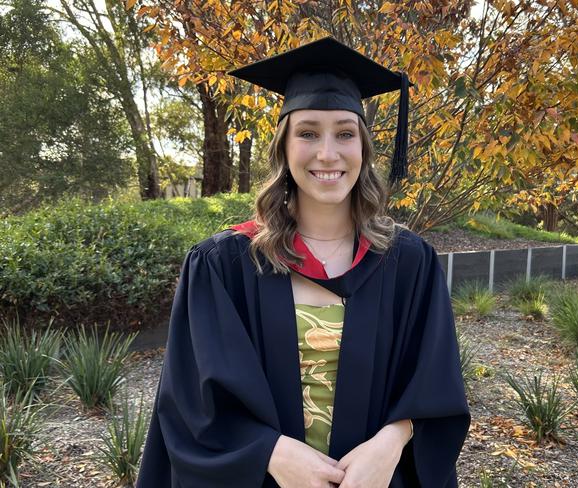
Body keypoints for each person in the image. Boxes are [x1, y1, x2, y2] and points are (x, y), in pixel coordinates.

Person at [136, 37, 470, 488]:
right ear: (284, 147)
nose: (328, 153)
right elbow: (190, 401)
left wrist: (391, 442)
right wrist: (269, 452)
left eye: (345, 133)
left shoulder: (409, 263)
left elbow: (435, 378)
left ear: (364, 148)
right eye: (308, 132)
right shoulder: (224, 265)